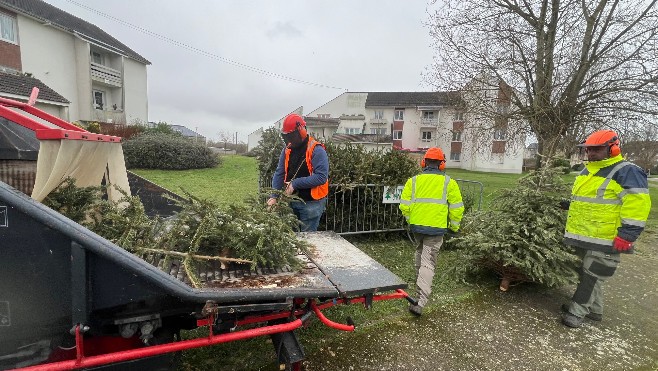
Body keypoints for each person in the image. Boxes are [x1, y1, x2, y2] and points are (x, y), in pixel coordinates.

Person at [561, 130, 651, 328]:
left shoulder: (627, 171)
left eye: (597, 149)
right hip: (583, 234)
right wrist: (569, 204)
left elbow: (638, 205)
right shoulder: (588, 171)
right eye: (588, 149)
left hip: (607, 237)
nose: (591, 153)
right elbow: (593, 200)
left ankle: (576, 313)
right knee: (588, 274)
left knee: (592, 275)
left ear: (613, 148)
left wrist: (628, 234)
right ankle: (595, 310)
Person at [399, 147, 464, 316]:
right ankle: (420, 302)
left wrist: (411, 220)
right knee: (428, 262)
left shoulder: (413, 181)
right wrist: (454, 227)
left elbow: (404, 206)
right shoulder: (449, 183)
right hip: (436, 230)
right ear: (441, 164)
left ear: (424, 162)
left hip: (417, 228)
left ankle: (419, 290)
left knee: (420, 255)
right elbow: (457, 208)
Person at [267, 113, 329, 232]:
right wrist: (274, 196)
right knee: (291, 238)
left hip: (311, 203)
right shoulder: (287, 150)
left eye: (292, 136)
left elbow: (321, 177)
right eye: (287, 137)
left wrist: (295, 184)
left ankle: (305, 252)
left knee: (308, 241)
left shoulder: (316, 149)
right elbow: (279, 173)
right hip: (291, 201)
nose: (289, 140)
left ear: (302, 132)